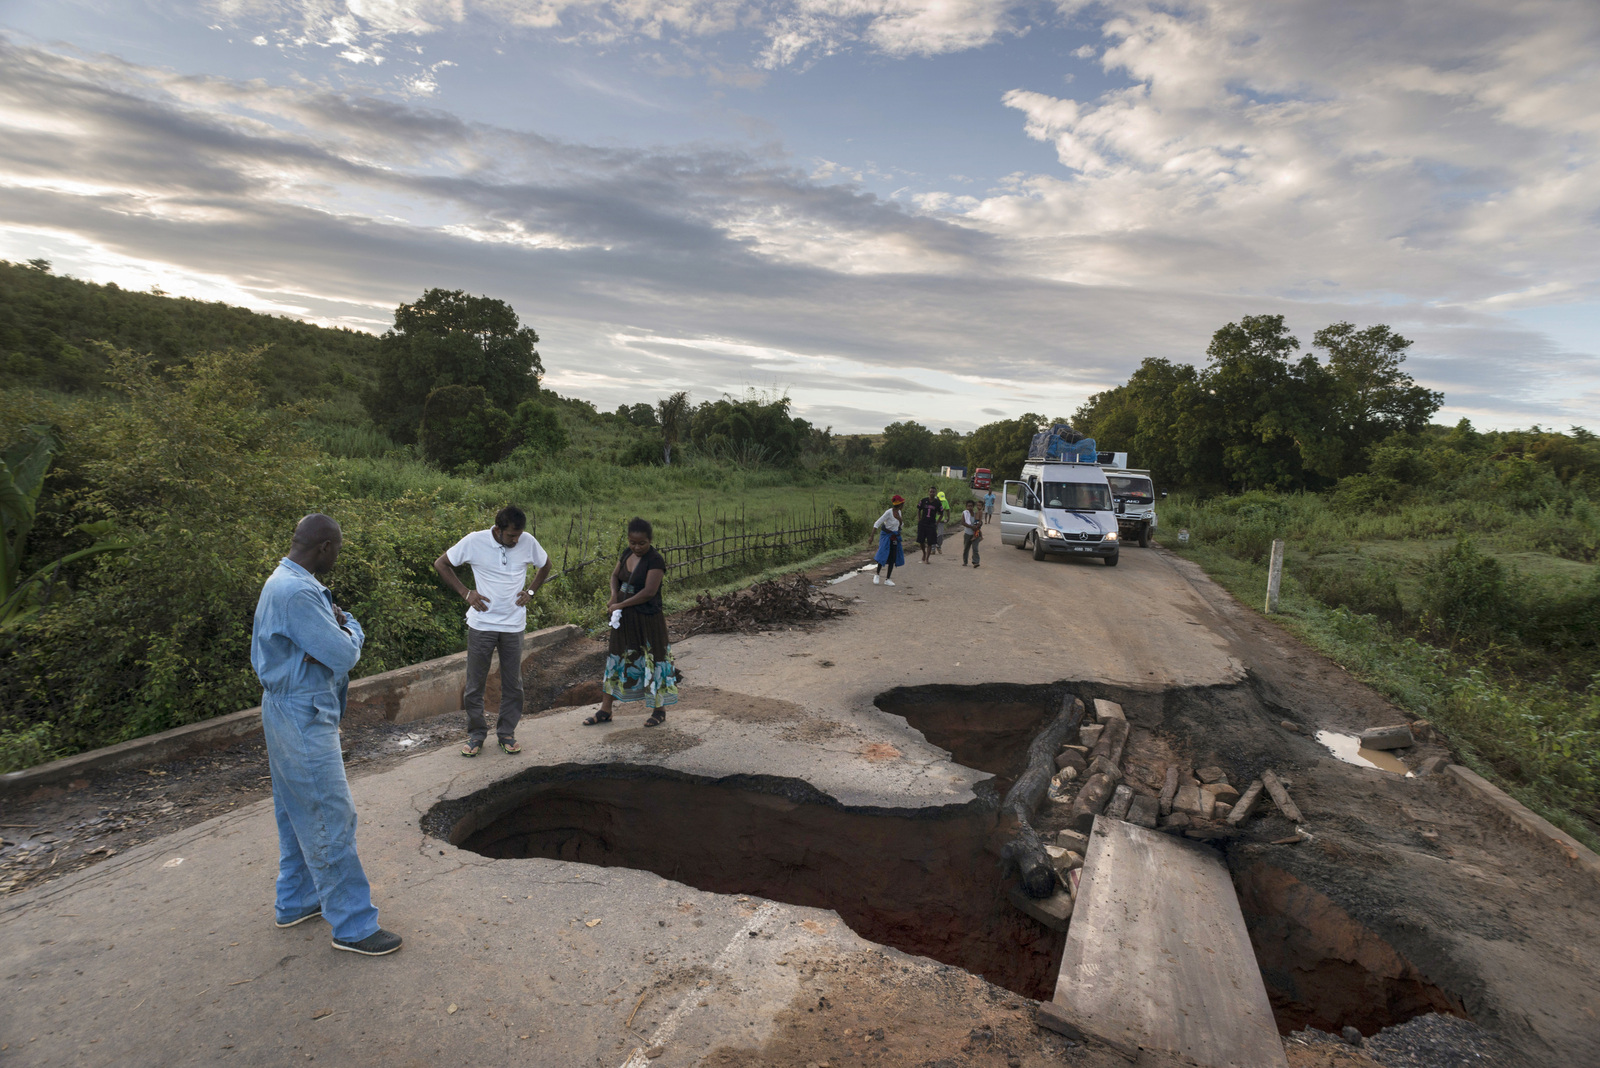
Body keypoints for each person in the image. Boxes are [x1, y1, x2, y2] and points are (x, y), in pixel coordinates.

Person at [251, 514, 400, 957]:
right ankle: (353, 925)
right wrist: (349, 624)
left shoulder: (282, 580)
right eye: (338, 549)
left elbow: (322, 652)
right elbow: (342, 653)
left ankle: (296, 900)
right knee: (329, 814)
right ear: (325, 548)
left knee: (295, 809)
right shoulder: (298, 592)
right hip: (302, 711)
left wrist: (330, 632)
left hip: (286, 707)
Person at [434, 505, 551, 757]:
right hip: (482, 625)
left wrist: (531, 591)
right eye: (511, 536)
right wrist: (466, 593)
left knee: (513, 684)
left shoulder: (527, 541)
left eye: (519, 535)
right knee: (475, 684)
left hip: (513, 625)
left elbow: (545, 564)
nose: (516, 540)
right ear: (498, 530)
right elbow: (441, 564)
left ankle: (506, 733)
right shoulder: (474, 541)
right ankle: (476, 735)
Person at [584, 517, 679, 727]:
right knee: (616, 658)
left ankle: (659, 710)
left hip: (647, 620)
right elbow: (615, 576)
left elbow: (648, 592)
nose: (636, 547)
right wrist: (613, 596)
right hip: (624, 620)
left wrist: (622, 605)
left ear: (650, 540)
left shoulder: (655, 561)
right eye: (632, 542)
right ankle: (605, 710)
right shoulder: (627, 553)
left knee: (651, 660)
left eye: (641, 543)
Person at [872, 495, 906, 586]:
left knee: (892, 557)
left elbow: (900, 526)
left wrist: (899, 519)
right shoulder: (888, 512)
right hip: (886, 536)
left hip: (894, 536)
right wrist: (871, 536)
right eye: (902, 504)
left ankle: (888, 579)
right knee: (883, 554)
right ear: (899, 505)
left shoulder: (899, 512)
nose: (903, 506)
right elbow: (877, 523)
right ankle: (877, 575)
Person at [914, 485, 941, 564]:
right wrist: (919, 519)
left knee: (930, 542)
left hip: (931, 524)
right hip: (923, 523)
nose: (932, 493)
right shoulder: (923, 500)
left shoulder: (937, 503)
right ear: (928, 492)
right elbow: (918, 510)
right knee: (921, 541)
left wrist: (937, 522)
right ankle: (924, 553)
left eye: (933, 492)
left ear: (935, 493)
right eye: (930, 491)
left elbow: (941, 513)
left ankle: (927, 558)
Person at [962, 499, 983, 568]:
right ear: (966, 506)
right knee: (966, 548)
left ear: (973, 506)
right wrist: (971, 527)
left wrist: (978, 525)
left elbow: (980, 521)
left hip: (975, 534)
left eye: (971, 506)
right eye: (968, 506)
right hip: (967, 534)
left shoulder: (975, 514)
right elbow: (963, 522)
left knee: (975, 549)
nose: (969, 508)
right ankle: (965, 561)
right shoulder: (965, 513)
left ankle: (976, 562)